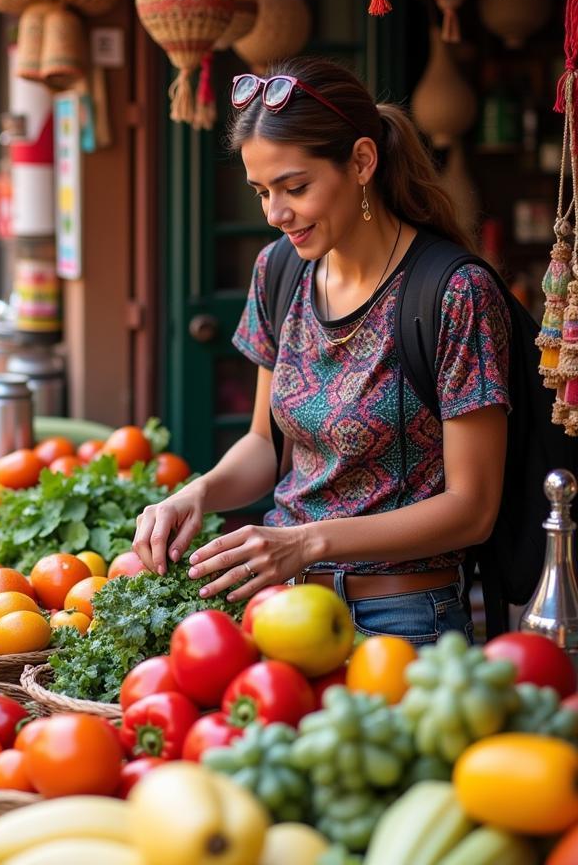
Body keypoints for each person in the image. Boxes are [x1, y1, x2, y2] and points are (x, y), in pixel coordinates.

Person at [133, 58, 510, 645]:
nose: (275, 214)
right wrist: (198, 492)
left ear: (362, 161)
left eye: (295, 187)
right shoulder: (278, 270)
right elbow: (265, 443)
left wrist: (308, 541)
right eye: (262, 192)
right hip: (281, 609)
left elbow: (472, 507)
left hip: (404, 619)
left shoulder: (456, 291)